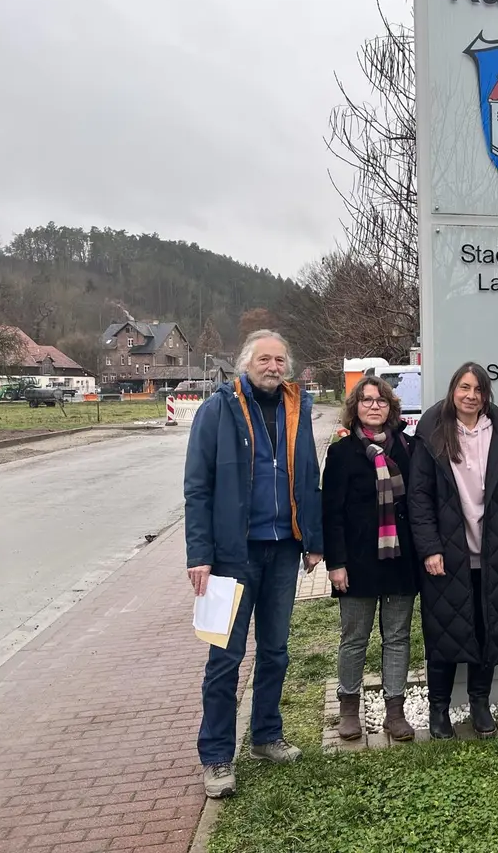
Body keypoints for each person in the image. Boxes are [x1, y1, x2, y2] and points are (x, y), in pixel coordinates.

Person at [182, 329, 324, 799]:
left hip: (283, 550)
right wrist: (199, 554)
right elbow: (197, 487)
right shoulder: (217, 410)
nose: (273, 366)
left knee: (276, 651)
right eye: (265, 359)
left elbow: (308, 475)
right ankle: (217, 756)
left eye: (280, 359)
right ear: (246, 363)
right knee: (225, 658)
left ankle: (265, 736)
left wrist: (313, 542)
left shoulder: (296, 409)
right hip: (231, 556)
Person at [409, 362, 498, 740]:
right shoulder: (432, 431)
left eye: (478, 389)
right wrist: (430, 548)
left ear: (486, 395)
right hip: (448, 553)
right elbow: (419, 499)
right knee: (444, 630)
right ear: (453, 390)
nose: (470, 395)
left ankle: (480, 704)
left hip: (494, 550)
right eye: (464, 388)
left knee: (489, 627)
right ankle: (439, 710)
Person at [321, 376, 419, 743]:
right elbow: (331, 513)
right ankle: (349, 707)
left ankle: (395, 711)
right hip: (357, 561)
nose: (374, 406)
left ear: (391, 406)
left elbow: (419, 504)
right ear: (355, 408)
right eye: (366, 400)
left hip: (400, 560)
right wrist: (336, 563)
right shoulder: (342, 453)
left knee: (397, 637)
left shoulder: (408, 448)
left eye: (381, 400)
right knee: (354, 638)